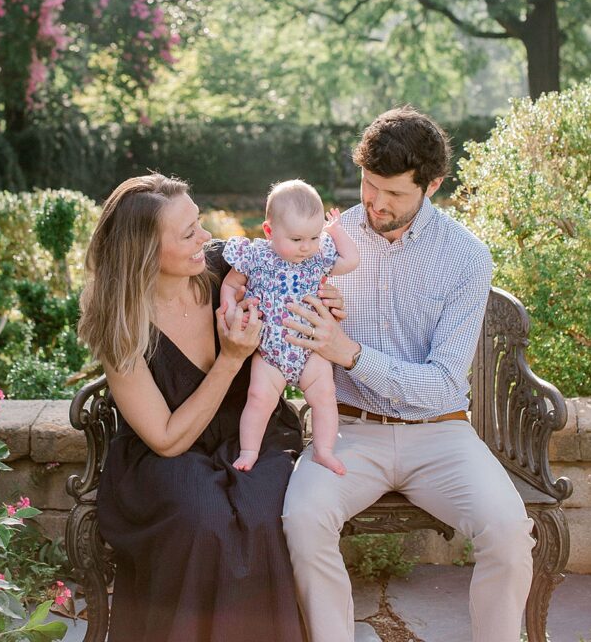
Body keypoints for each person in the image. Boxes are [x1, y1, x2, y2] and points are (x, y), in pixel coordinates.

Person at [281, 107, 535, 642]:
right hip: (348, 432)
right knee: (303, 520)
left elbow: (443, 385)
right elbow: (289, 321)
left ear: (433, 185)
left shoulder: (466, 257)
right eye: (370, 186)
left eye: (394, 194)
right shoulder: (327, 241)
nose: (376, 203)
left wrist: (350, 353)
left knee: (510, 533)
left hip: (442, 433)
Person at [77, 173, 340, 642]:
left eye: (198, 223)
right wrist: (231, 359)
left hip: (251, 432)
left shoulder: (226, 267)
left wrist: (325, 302)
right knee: (201, 517)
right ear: (146, 253)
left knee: (264, 509)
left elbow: (302, 268)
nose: (206, 238)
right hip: (165, 455)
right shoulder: (121, 321)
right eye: (188, 233)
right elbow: (165, 437)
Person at [221, 179, 359, 475]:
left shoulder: (317, 259)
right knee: (258, 398)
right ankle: (249, 451)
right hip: (270, 350)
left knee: (324, 396)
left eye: (314, 237)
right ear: (269, 231)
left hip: (311, 350)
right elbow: (231, 284)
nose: (306, 247)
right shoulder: (256, 256)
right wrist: (230, 308)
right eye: (296, 240)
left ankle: (323, 450)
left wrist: (335, 231)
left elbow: (351, 260)